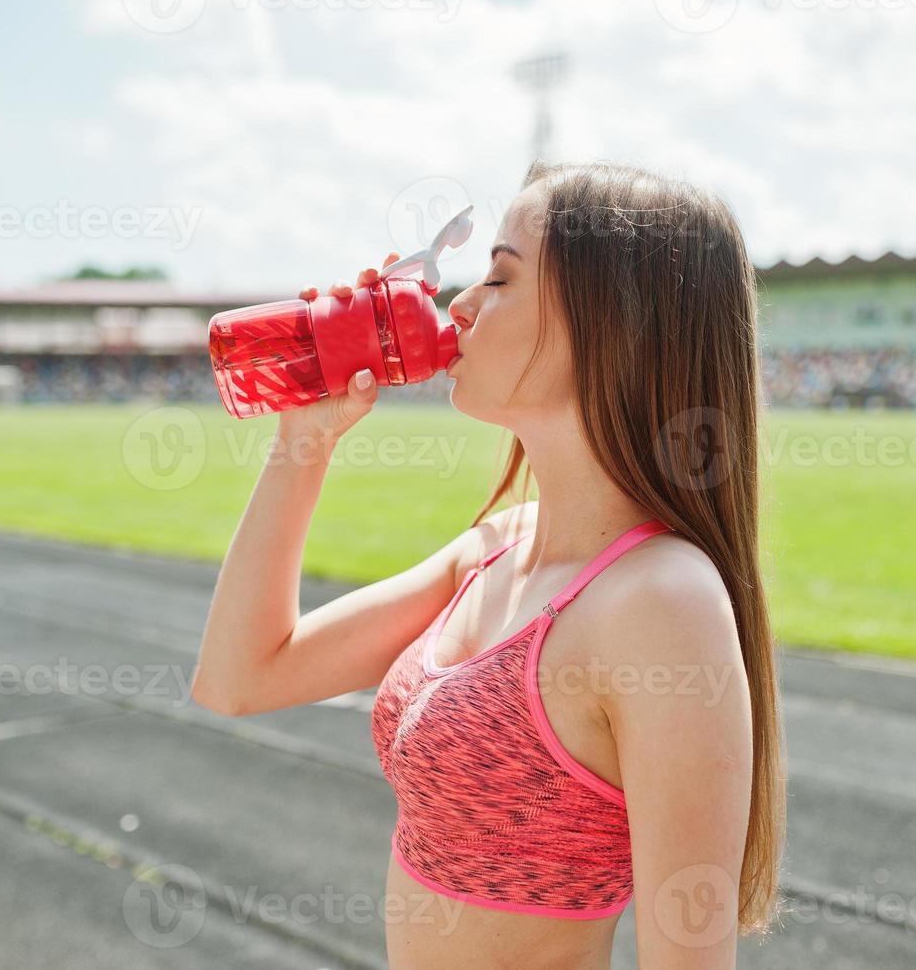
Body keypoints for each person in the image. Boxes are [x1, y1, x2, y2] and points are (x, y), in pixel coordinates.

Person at [191, 160, 786, 969]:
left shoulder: (660, 603)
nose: (459, 304)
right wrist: (304, 440)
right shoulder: (495, 549)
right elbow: (238, 678)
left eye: (499, 278)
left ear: (615, 321)